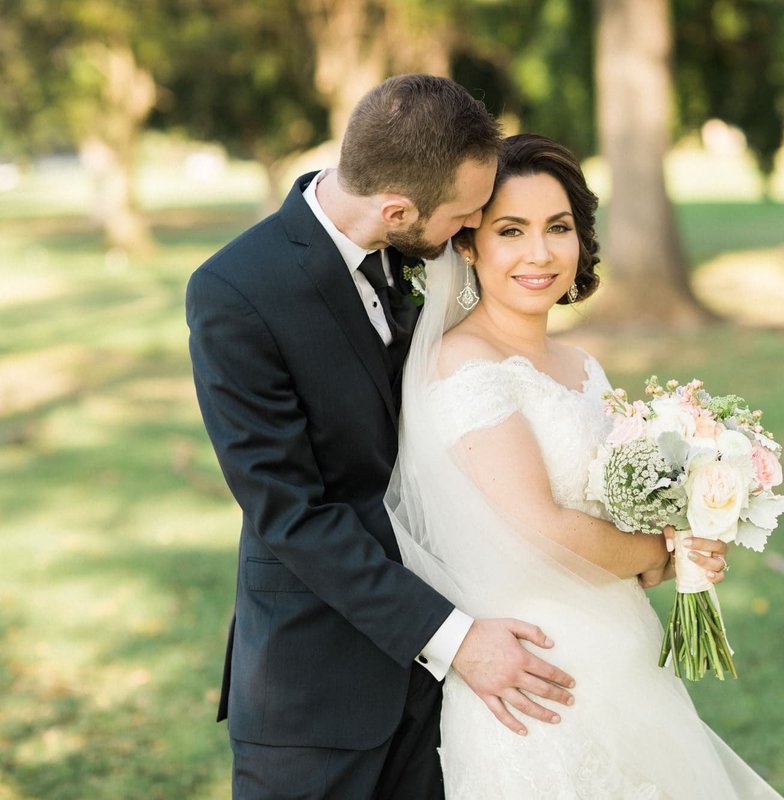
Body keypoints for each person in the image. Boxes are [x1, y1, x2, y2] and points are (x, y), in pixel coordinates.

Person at [188, 76, 687, 798]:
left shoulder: (422, 248)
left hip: (464, 685)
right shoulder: (237, 293)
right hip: (319, 678)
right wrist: (453, 638)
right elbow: (289, 511)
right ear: (398, 209)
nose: (471, 232)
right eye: (466, 217)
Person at [387, 134, 780, 798]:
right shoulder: (464, 368)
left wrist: (686, 544)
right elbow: (541, 531)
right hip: (539, 684)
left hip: (626, 662)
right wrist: (659, 548)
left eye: (558, 228)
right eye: (511, 231)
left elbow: (610, 526)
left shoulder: (580, 368)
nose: (540, 253)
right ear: (467, 243)